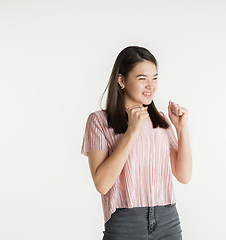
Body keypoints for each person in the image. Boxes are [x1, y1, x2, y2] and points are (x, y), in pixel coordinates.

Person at [81, 46, 192, 240]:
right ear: (122, 80)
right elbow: (102, 184)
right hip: (125, 222)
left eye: (155, 78)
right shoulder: (99, 121)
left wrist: (181, 129)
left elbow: (184, 176)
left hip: (168, 220)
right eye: (142, 79)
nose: (151, 86)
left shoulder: (161, 121)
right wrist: (131, 132)